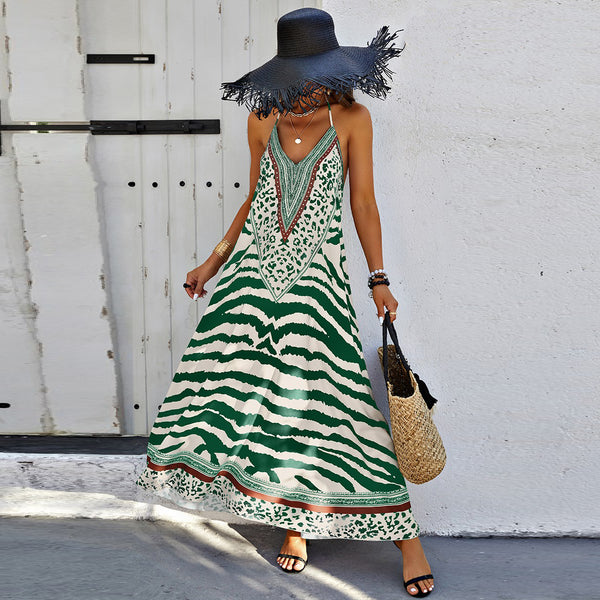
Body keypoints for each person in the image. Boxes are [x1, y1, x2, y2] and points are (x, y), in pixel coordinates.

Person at [136, 8, 434, 597]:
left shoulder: (352, 119)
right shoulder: (261, 119)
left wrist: (378, 278)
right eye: (302, 74)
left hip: (317, 283)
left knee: (336, 405)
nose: (312, 85)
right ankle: (294, 524)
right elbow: (253, 201)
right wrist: (213, 261)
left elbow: (363, 204)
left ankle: (407, 538)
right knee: (263, 406)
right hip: (253, 279)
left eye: (321, 73)